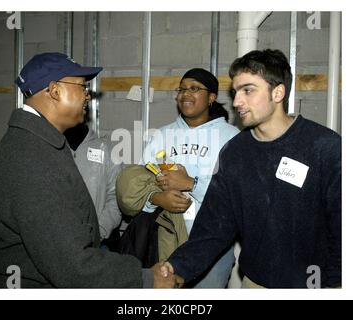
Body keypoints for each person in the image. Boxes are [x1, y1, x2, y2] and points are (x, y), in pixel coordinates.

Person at [0, 52, 181, 288]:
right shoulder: (32, 158)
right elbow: (72, 266)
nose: (87, 96)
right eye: (82, 87)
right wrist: (145, 279)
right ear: (55, 90)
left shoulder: (38, 143)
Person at [156, 49, 341, 288]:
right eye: (235, 92)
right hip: (255, 284)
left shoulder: (325, 148)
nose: (236, 102)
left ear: (278, 92)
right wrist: (176, 267)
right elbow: (214, 226)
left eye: (248, 90)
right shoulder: (235, 152)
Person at [141, 68, 240, 288]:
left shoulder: (232, 138)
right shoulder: (162, 135)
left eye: (194, 88)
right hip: (166, 238)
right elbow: (139, 184)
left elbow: (235, 198)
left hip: (213, 245)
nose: (186, 94)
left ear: (212, 97)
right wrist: (157, 198)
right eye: (182, 89)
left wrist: (190, 184)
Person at [65, 122, 123, 246]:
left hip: (99, 245)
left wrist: (98, 231)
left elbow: (116, 197)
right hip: (60, 243)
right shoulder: (51, 149)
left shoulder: (107, 148)